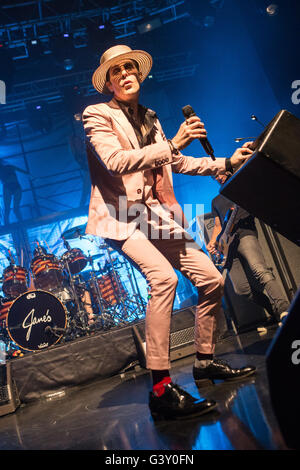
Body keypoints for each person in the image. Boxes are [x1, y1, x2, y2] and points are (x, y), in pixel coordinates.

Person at [82, 45, 256, 421]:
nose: (126, 74)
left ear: (139, 74)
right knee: (163, 280)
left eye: (130, 68)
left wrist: (224, 162)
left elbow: (174, 160)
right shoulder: (97, 115)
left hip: (154, 214)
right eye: (117, 72)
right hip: (121, 214)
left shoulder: (150, 118)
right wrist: (172, 143)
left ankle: (205, 362)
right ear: (109, 83)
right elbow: (115, 161)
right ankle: (160, 390)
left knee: (211, 279)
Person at [206, 175, 289, 325]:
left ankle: (285, 308)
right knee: (241, 289)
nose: (218, 176)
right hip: (227, 248)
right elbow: (218, 227)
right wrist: (212, 242)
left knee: (260, 271)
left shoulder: (240, 188)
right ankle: (274, 311)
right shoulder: (215, 201)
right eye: (215, 175)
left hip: (245, 235)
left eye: (220, 172)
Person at [0, 160, 27, 225]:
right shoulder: (10, 167)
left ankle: (18, 223)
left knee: (10, 209)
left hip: (11, 186)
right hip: (13, 186)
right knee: (12, 209)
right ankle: (17, 223)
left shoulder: (9, 167)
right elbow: (24, 172)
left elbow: (24, 172)